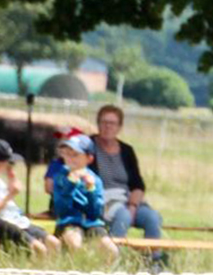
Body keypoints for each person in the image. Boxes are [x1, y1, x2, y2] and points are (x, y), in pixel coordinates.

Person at [90, 105, 165, 246]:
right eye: (104, 122)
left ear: (119, 127)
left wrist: (133, 205)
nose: (107, 127)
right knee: (123, 215)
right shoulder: (89, 146)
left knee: (152, 218)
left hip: (126, 199)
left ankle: (153, 261)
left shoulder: (127, 150)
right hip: (101, 199)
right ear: (98, 123)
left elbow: (138, 184)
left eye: (112, 123)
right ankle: (112, 258)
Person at [52, 133, 119, 260]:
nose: (71, 159)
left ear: (89, 159)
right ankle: (76, 271)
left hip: (92, 224)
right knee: (75, 242)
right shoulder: (60, 178)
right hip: (69, 222)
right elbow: (61, 209)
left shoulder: (95, 180)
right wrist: (70, 184)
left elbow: (96, 212)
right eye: (67, 154)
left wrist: (90, 189)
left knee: (111, 249)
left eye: (76, 155)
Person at [0, 139, 60, 256]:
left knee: (54, 243)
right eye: (9, 162)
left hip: (19, 221)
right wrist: (11, 194)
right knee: (39, 249)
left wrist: (11, 178)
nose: (11, 165)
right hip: (5, 223)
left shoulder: (0, 179)